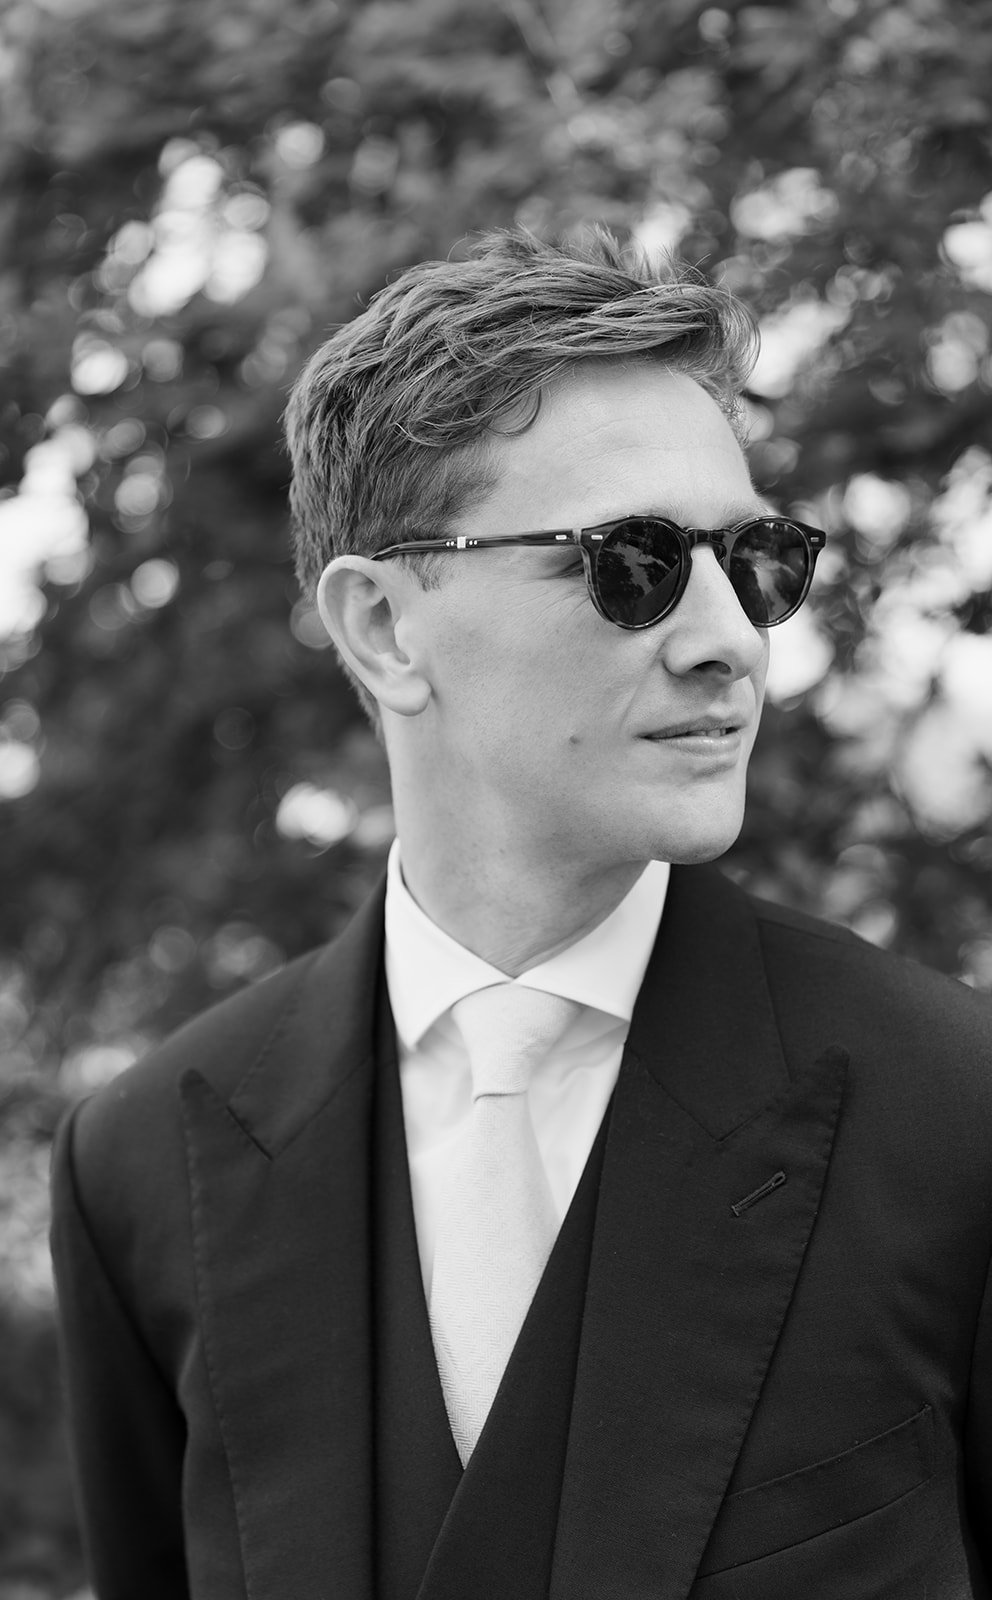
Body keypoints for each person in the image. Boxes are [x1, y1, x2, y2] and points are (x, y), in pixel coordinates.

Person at [51, 227, 992, 1600]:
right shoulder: (140, 1165)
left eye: (762, 557)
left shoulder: (956, 1114)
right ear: (383, 629)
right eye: (633, 560)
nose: (734, 635)